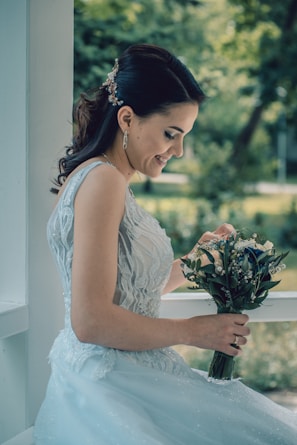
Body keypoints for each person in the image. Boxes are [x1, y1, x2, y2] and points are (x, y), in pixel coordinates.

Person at [34, 44, 297, 444]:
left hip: (120, 374)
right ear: (127, 118)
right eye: (170, 134)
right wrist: (194, 332)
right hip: (114, 386)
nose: (178, 150)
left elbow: (125, 294)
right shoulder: (103, 181)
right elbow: (91, 321)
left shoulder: (103, 179)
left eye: (184, 136)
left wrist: (193, 262)